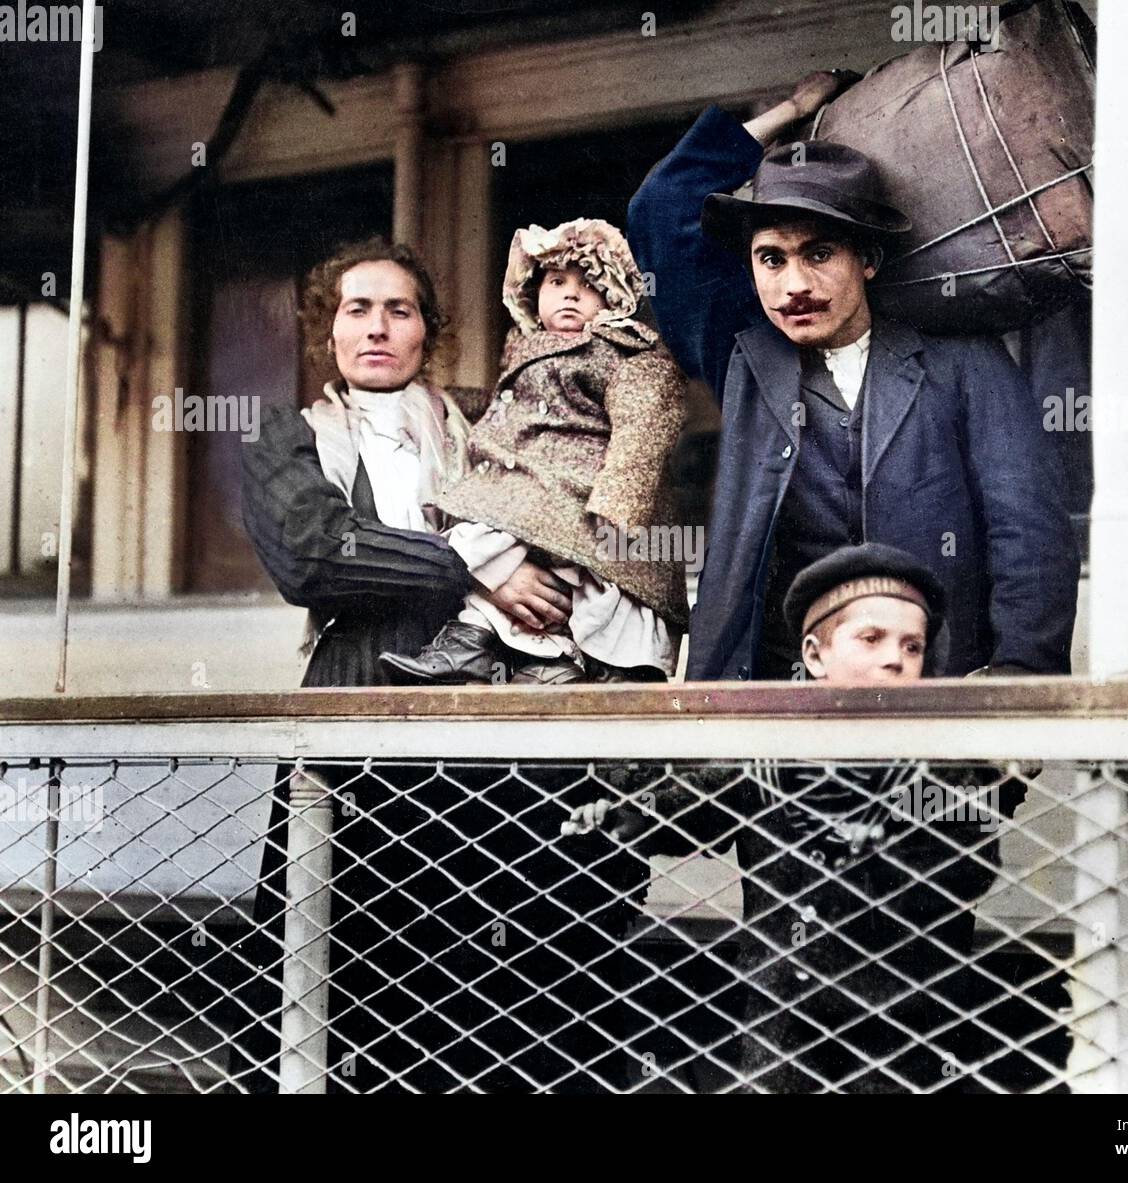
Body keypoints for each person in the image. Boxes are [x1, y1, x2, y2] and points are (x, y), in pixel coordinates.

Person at [238, 238, 646, 1092]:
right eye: (358, 308)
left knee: (487, 951)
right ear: (329, 330)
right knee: (347, 945)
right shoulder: (289, 434)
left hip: (484, 707)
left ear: (429, 329)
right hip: (358, 701)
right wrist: (475, 563)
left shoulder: (487, 419)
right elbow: (314, 556)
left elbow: (562, 500)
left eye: (401, 309)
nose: (379, 327)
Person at [626, 72, 1080, 681]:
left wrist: (1021, 673)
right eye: (771, 259)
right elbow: (660, 205)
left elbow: (1027, 532)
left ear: (867, 261)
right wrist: (790, 109)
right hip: (773, 699)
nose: (794, 286)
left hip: (932, 692)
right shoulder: (742, 359)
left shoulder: (964, 361)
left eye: (819, 254)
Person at [565, 542, 1027, 1092]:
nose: (894, 659)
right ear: (813, 655)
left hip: (896, 1020)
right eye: (871, 638)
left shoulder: (936, 766)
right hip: (780, 1015)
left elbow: (972, 866)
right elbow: (691, 807)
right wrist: (625, 817)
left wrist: (893, 838)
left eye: (912, 646)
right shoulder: (769, 752)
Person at [380, 217, 688, 687]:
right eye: (557, 282)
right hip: (530, 485)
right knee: (481, 533)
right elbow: (506, 410)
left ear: (614, 300)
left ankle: (595, 667)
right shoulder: (522, 351)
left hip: (583, 488)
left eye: (588, 285)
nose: (570, 294)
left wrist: (620, 499)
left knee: (591, 584)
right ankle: (474, 643)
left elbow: (643, 424)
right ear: (532, 293)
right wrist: (446, 402)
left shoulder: (625, 352)